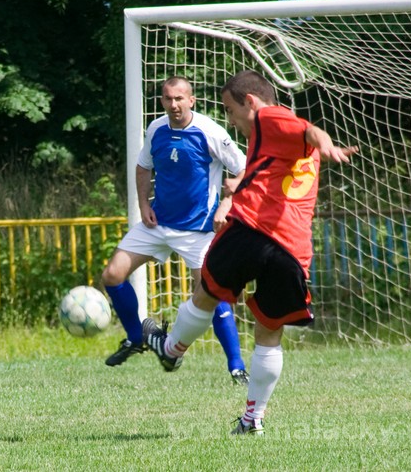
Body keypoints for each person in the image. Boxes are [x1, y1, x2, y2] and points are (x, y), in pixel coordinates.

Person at [142, 69, 358, 436]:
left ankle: (172, 349)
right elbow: (291, 151)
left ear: (251, 102)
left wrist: (324, 141)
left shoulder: (269, 117)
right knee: (269, 331)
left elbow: (308, 131)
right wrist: (237, 186)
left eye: (229, 109)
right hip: (293, 249)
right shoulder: (284, 141)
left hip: (253, 230)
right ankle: (252, 420)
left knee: (206, 293)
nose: (231, 119)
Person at [100, 76, 250, 385]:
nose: (174, 104)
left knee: (213, 291)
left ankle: (236, 366)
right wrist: (143, 205)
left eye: (179, 98)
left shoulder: (210, 132)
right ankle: (136, 338)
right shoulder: (156, 129)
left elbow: (246, 170)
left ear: (191, 101)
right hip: (158, 224)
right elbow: (143, 167)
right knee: (113, 275)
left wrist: (226, 206)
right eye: (168, 99)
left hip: (199, 231)